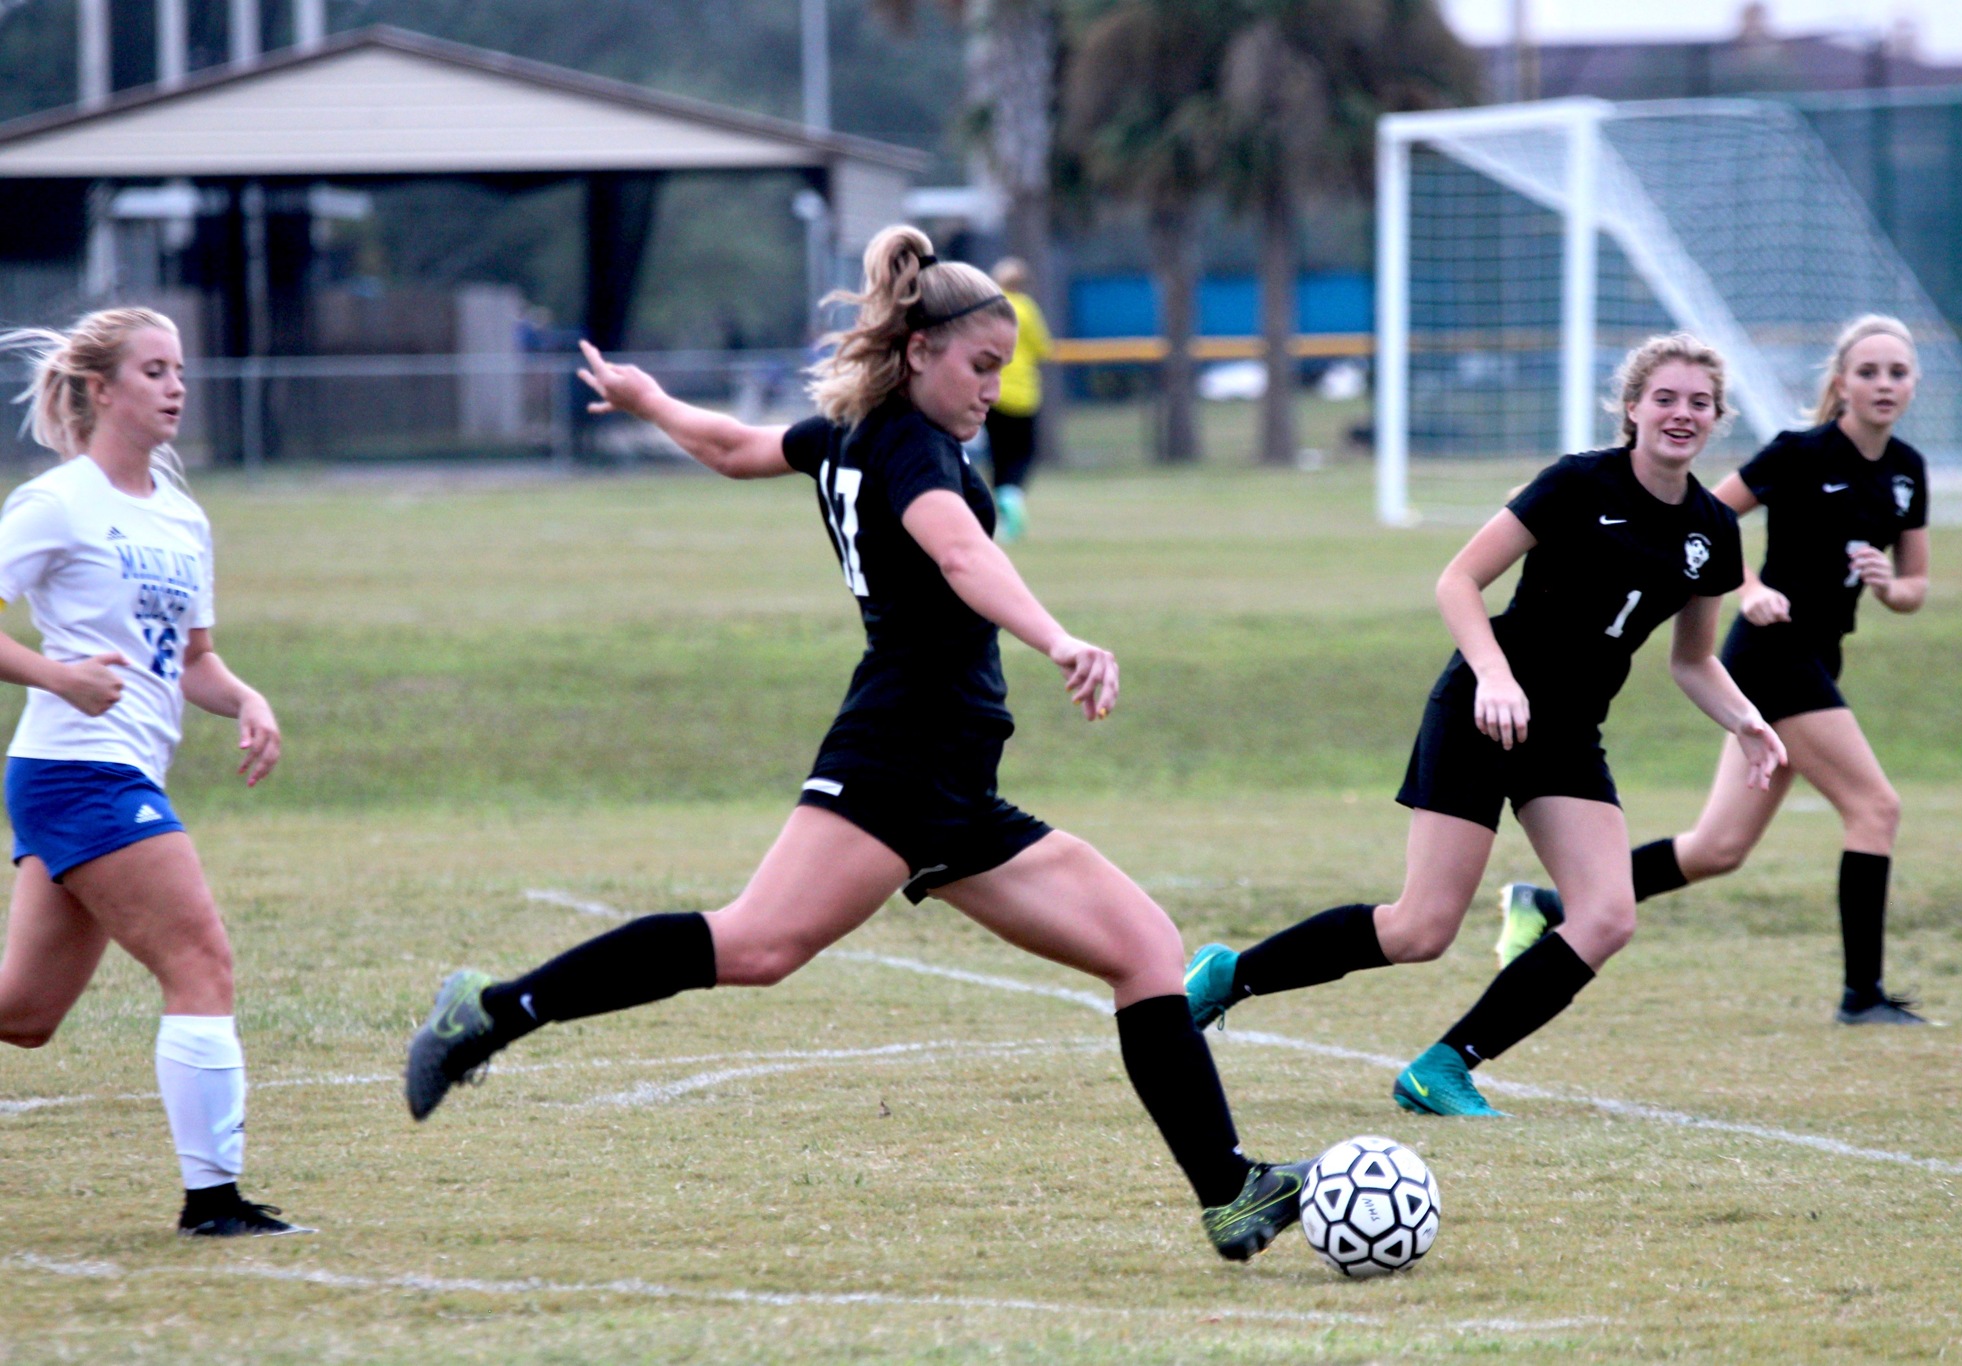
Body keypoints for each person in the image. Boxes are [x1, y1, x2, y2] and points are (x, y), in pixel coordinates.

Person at [404, 226, 1313, 1260]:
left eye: (1002, 371)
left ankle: (1229, 1194)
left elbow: (738, 448)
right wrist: (1058, 637)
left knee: (1144, 946)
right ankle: (487, 1012)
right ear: (921, 350)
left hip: (956, 779)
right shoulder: (909, 449)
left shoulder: (855, 430)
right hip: (897, 751)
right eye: (980, 366)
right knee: (754, 945)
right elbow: (963, 553)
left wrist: (650, 402)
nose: (991, 390)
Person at [1182, 333, 1786, 1116]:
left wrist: (1746, 721)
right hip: (1483, 709)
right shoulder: (1576, 483)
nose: (1681, 414)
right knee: (1420, 930)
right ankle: (1233, 975)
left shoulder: (1714, 530)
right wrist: (1496, 677)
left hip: (1567, 731)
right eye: (1665, 398)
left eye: (1699, 403)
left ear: (1717, 418)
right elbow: (1459, 580)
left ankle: (1444, 1067)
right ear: (1632, 406)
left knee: (1606, 916)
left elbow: (1693, 660)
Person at [1493, 316, 1935, 1026]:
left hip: (1820, 658)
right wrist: (1752, 588)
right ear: (1840, 383)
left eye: (1898, 372)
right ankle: (1863, 996)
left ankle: (1545, 905)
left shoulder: (1908, 470)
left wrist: (1888, 583)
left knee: (1717, 849)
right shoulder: (1799, 453)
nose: (1884, 384)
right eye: (1869, 371)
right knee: (1876, 808)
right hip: (1771, 656)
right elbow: (1712, 520)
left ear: (1913, 383)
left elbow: (1915, 589)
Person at [0, 308, 305, 1236]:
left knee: (24, 1014)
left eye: (181, 370)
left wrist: (247, 699)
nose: (177, 387)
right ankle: (213, 1201)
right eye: (155, 370)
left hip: (120, 770)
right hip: (76, 770)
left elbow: (192, 662)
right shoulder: (59, 502)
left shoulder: (180, 514)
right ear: (101, 390)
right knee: (201, 961)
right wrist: (58, 676)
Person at [984, 257, 1052, 544]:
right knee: (1024, 453)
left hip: (992, 394)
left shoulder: (989, 310)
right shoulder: (1026, 309)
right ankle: (1013, 493)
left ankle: (1002, 512)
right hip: (1023, 395)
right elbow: (1043, 348)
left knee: (998, 455)